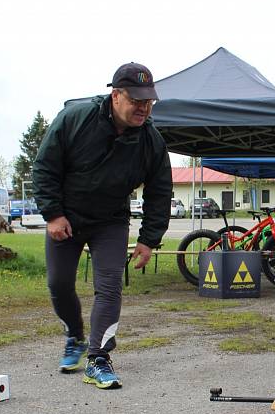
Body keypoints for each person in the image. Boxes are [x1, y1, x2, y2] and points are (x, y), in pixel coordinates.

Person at [33, 62, 172, 389]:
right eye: (136, 100)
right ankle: (74, 336)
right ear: (115, 95)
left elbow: (160, 190)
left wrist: (149, 239)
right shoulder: (75, 119)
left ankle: (98, 357)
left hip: (110, 221)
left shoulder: (150, 141)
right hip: (66, 218)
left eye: (148, 101)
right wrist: (52, 214)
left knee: (109, 286)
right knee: (58, 284)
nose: (144, 107)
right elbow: (45, 168)